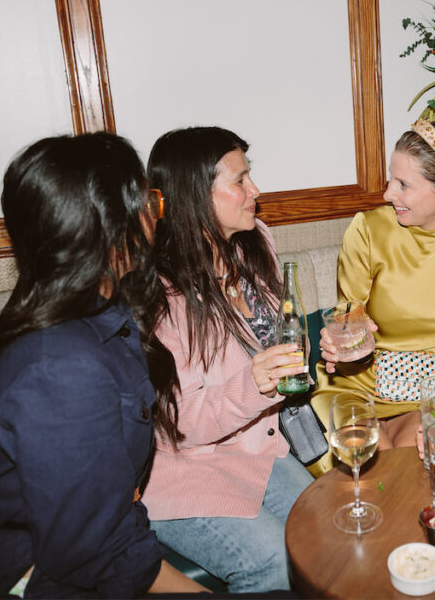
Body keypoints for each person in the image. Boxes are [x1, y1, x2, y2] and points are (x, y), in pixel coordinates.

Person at [0, 133, 206, 597]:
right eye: (146, 199)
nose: (155, 212)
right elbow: (97, 553)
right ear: (109, 226)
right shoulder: (61, 366)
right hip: (43, 581)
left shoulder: (102, 317)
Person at [140, 127, 313, 594]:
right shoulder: (158, 292)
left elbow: (281, 342)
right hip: (185, 467)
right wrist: (255, 384)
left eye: (249, 176)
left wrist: (320, 350)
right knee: (273, 559)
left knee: (324, 534)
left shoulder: (256, 246)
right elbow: (180, 422)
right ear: (195, 195)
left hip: (258, 446)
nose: (254, 191)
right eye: (239, 181)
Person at [312, 119, 435, 470]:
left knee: (406, 471)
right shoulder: (370, 229)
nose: (388, 194)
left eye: (403, 184)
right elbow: (349, 316)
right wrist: (347, 344)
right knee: (370, 463)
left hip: (432, 396)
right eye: (390, 179)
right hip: (357, 387)